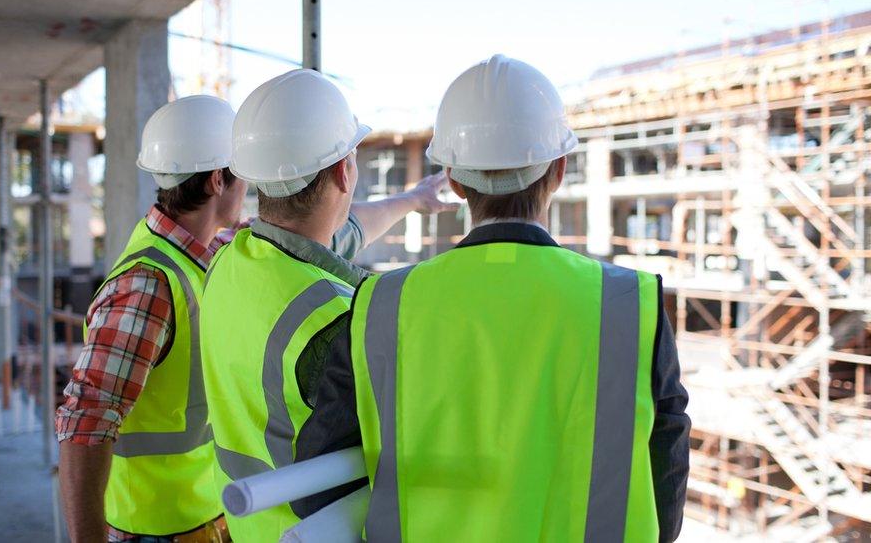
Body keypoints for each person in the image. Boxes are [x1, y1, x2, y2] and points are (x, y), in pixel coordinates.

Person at [294, 55, 691, 542]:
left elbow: (314, 489)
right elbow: (665, 493)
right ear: (560, 169)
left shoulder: (381, 305)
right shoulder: (631, 305)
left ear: (455, 182)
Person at [57, 92, 452, 542]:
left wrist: (413, 199)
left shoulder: (225, 255)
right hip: (155, 528)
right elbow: (84, 419)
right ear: (215, 180)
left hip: (218, 514)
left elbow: (334, 234)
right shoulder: (150, 285)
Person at [199, 69, 457, 542]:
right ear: (344, 171)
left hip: (246, 524)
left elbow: (343, 231)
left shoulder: (230, 258)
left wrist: (412, 200)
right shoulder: (339, 318)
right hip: (309, 531)